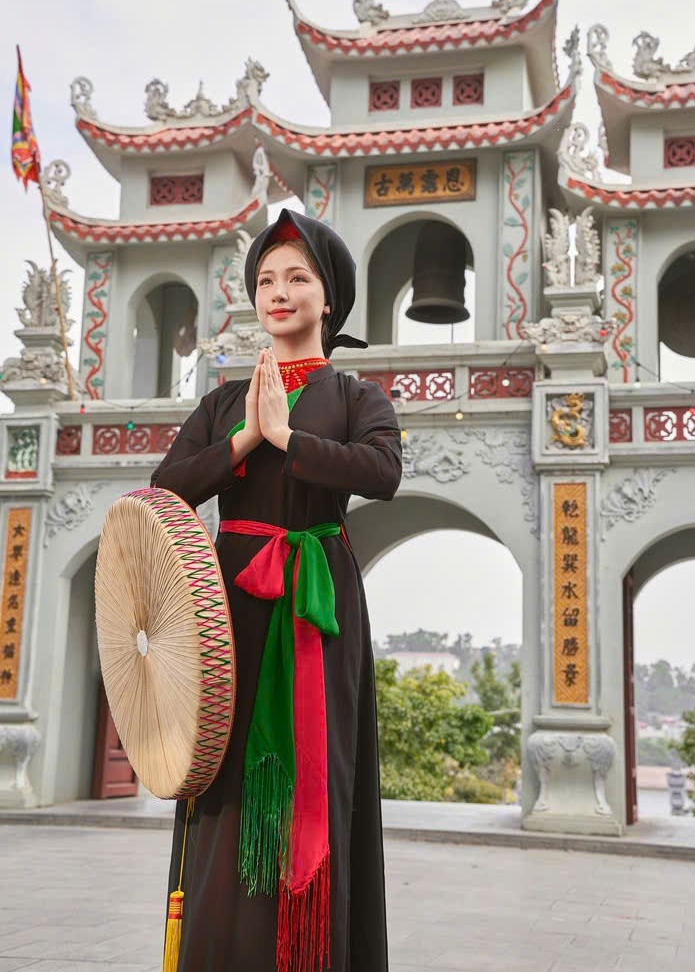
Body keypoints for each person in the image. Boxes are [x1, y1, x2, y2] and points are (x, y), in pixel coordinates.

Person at [150, 208, 402, 972]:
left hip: (317, 607)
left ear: (329, 299)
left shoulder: (356, 396)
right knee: (222, 778)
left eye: (297, 278)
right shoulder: (223, 403)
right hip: (226, 608)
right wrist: (247, 437)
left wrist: (288, 437)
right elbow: (166, 487)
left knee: (314, 776)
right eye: (266, 280)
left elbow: (382, 472)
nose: (279, 292)